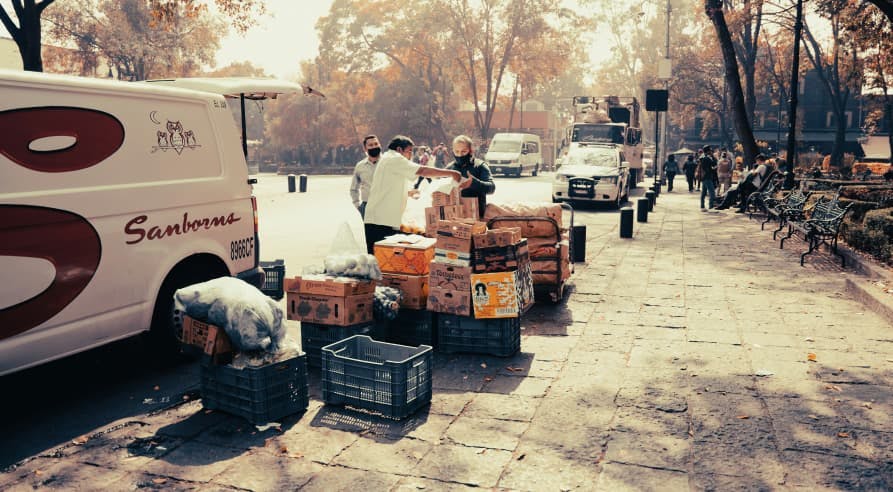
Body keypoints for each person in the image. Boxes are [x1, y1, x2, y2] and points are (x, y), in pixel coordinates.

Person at [363, 135, 465, 253]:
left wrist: (408, 193)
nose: (411, 155)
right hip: (379, 222)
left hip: (380, 219)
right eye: (409, 151)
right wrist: (452, 173)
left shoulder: (388, 158)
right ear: (399, 150)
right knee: (382, 260)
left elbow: (387, 185)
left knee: (385, 261)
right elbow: (422, 170)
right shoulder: (394, 158)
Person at [445, 135, 496, 219]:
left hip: (476, 216)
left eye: (464, 151)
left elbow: (491, 188)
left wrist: (474, 183)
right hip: (453, 217)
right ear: (452, 151)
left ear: (471, 151)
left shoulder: (480, 166)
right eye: (456, 152)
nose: (460, 155)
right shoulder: (449, 168)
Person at [349, 135, 381, 219]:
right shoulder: (360, 166)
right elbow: (353, 188)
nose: (374, 146)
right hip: (367, 207)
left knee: (389, 232)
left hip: (386, 206)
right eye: (370, 145)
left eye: (376, 144)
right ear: (365, 148)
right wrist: (358, 206)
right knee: (371, 232)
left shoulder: (388, 163)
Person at [698, 146, 718, 210]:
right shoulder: (707, 158)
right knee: (712, 193)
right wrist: (713, 157)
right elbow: (714, 164)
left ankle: (702, 206)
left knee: (704, 192)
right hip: (708, 177)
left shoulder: (702, 157)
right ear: (708, 151)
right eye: (710, 150)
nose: (711, 151)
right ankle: (711, 206)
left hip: (704, 177)